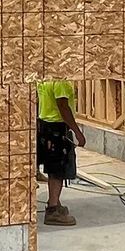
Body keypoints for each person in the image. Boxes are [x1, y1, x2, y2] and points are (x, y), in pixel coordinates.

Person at [35, 75, 82, 227]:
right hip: (57, 128)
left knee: (52, 168)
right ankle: (53, 210)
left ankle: (53, 201)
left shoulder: (43, 78)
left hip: (46, 127)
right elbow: (62, 105)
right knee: (58, 170)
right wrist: (77, 132)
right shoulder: (59, 81)